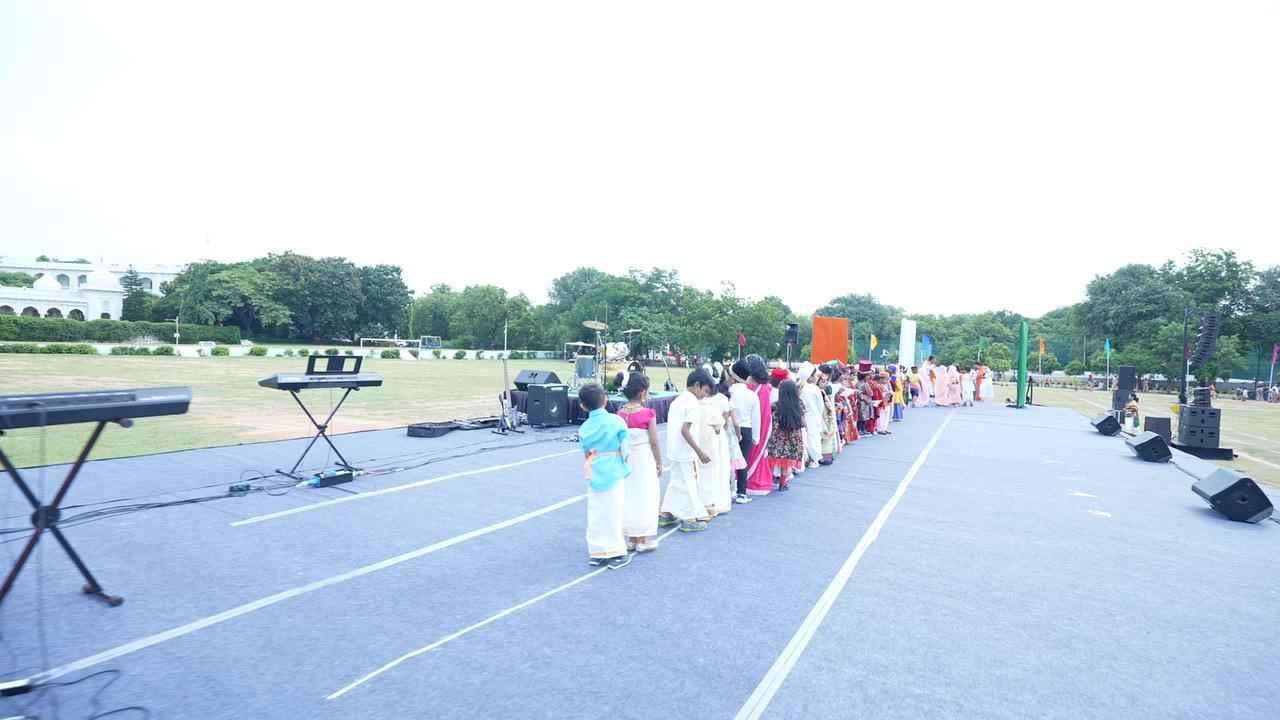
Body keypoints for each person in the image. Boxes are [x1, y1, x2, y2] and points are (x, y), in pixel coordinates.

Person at [577, 383, 632, 569]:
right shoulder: (616, 421)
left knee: (596, 512)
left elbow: (586, 452)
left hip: (594, 470)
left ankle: (597, 551)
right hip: (614, 469)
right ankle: (616, 551)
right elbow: (626, 447)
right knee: (614, 511)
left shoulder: (584, 428)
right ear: (605, 400)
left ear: (582, 405)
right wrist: (626, 463)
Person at [659, 369, 715, 532]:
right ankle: (689, 518)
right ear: (697, 385)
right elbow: (685, 430)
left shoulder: (677, 400)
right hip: (686, 452)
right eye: (705, 391)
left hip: (674, 450)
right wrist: (699, 452)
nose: (705, 395)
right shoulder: (692, 403)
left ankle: (667, 513)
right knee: (689, 484)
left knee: (676, 482)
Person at [617, 374, 662, 553]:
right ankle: (642, 539)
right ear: (642, 392)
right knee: (645, 495)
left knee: (628, 495)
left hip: (627, 459)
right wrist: (659, 461)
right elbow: (654, 441)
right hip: (644, 459)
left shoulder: (620, 414)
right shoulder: (648, 413)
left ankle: (630, 538)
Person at [699, 364, 733, 517]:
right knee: (717, 469)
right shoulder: (722, 399)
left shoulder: (701, 400)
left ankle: (707, 501)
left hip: (706, 437)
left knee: (708, 470)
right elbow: (725, 424)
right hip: (716, 437)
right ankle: (713, 501)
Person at [728, 359, 759, 504]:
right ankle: (741, 492)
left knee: (727, 460)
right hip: (746, 429)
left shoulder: (728, 391)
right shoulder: (752, 395)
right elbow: (756, 418)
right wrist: (756, 437)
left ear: (733, 376)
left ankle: (727, 490)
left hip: (728, 428)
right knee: (743, 462)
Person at [745, 356, 777, 496]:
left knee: (752, 452)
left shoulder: (754, 388)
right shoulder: (765, 388)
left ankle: (749, 480)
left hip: (752, 424)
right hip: (761, 424)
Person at [767, 380, 806, 491]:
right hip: (794, 435)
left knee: (772, 459)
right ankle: (783, 483)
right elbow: (803, 422)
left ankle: (768, 481)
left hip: (777, 436)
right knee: (787, 462)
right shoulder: (799, 404)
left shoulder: (775, 405)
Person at [797, 363, 825, 469]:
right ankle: (814, 459)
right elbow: (820, 405)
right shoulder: (814, 388)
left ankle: (806, 459)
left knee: (805, 437)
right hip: (813, 416)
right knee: (813, 438)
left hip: (802, 416)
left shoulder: (798, 387)